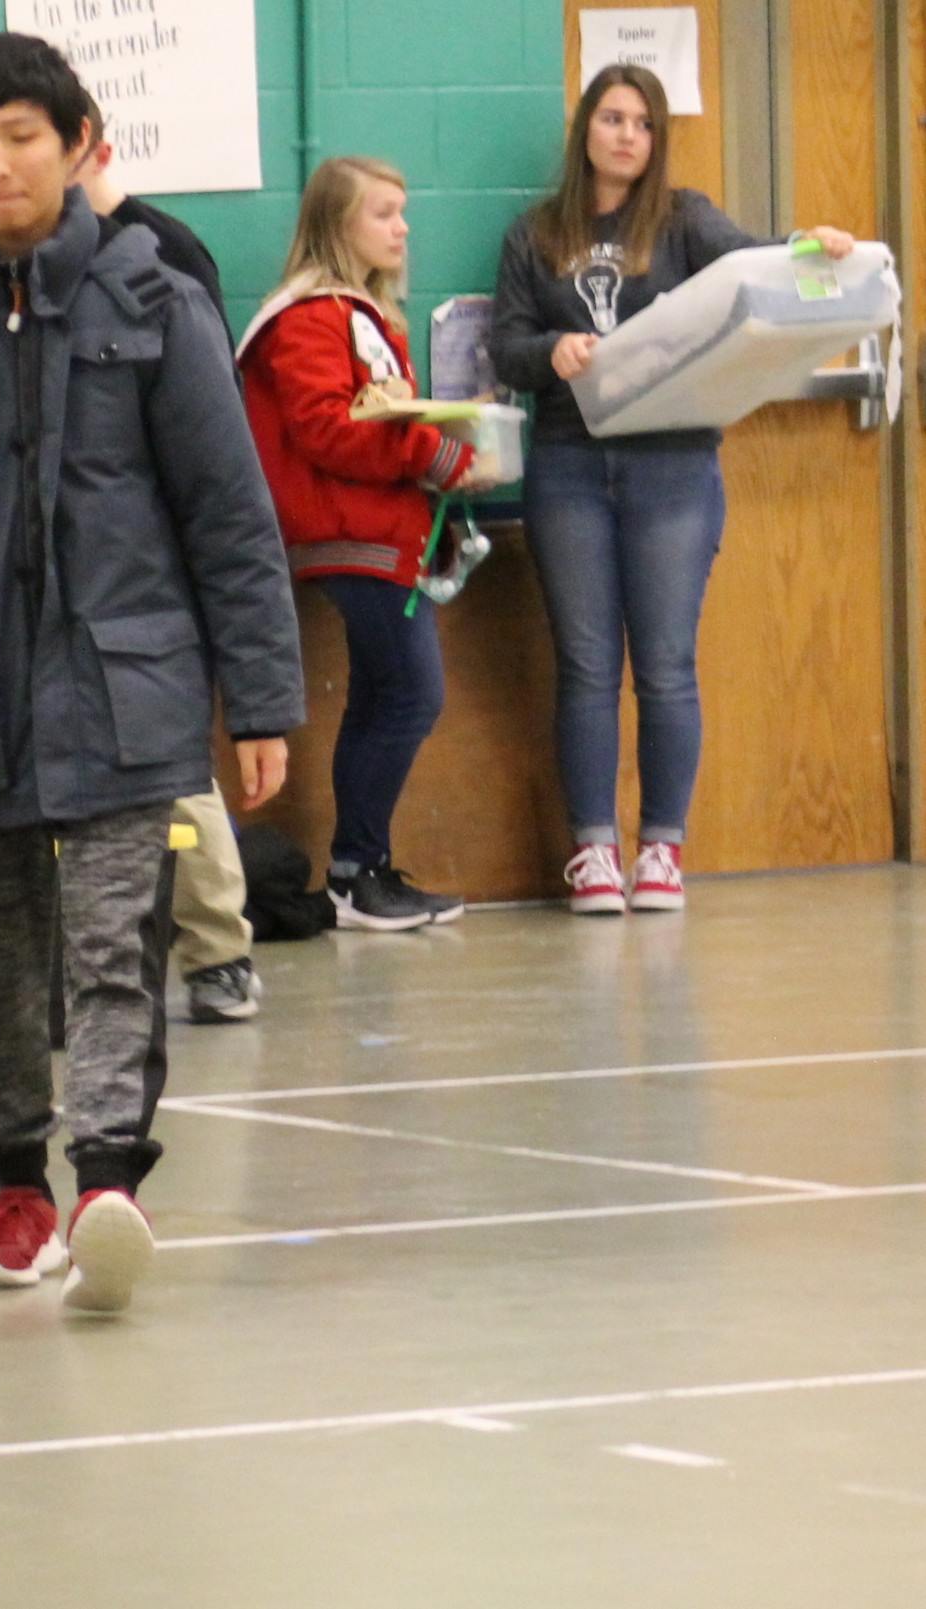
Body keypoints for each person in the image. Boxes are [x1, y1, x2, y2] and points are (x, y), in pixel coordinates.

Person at [0, 33, 304, 1312]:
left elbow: (230, 516)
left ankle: (104, 1187)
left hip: (126, 693)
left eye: (20, 137)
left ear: (79, 143)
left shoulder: (158, 304)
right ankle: (16, 1192)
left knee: (109, 947)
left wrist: (260, 699)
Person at [490, 64, 854, 915]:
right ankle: (592, 850)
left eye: (644, 124)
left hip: (673, 466)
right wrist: (551, 352)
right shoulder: (534, 234)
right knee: (586, 663)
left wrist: (812, 244)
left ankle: (661, 847)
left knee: (664, 663)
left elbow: (756, 264)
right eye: (613, 118)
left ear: (657, 140)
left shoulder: (685, 218)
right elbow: (506, 345)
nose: (627, 136)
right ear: (585, 128)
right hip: (571, 464)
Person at [237, 157, 486, 932]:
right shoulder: (310, 316)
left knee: (386, 695)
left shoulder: (358, 313)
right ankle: (356, 871)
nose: (402, 229)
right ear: (335, 224)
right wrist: (436, 454)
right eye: (383, 213)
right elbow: (328, 429)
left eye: (403, 213)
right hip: (348, 534)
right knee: (411, 694)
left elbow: (376, 414)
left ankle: (359, 869)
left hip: (375, 531)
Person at [71, 97, 258, 1024]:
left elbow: (207, 436)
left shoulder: (166, 255)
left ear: (91, 150)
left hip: (152, 567)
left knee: (174, 768)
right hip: (70, 561)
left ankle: (219, 951)